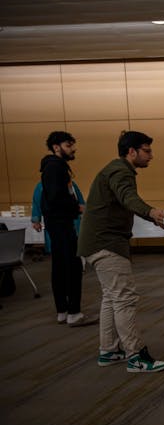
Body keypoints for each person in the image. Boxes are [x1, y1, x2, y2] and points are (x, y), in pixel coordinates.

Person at [78, 131, 164, 373]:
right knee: (124, 298)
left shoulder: (115, 169)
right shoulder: (121, 171)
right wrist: (151, 212)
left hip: (96, 242)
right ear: (132, 151)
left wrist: (150, 216)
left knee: (111, 297)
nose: (151, 156)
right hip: (106, 243)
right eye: (146, 151)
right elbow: (128, 198)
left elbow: (125, 200)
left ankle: (109, 350)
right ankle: (136, 356)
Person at [39, 131, 96, 327]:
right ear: (56, 147)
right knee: (72, 267)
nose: (73, 149)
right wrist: (76, 207)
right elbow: (56, 197)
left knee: (60, 267)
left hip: (57, 223)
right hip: (61, 222)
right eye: (68, 145)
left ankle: (62, 311)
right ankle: (74, 313)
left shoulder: (52, 166)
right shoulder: (55, 167)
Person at [32, 180, 85, 254]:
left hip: (73, 222)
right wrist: (36, 220)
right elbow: (37, 204)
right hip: (54, 223)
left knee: (73, 249)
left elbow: (80, 202)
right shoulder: (42, 186)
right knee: (58, 250)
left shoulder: (71, 184)